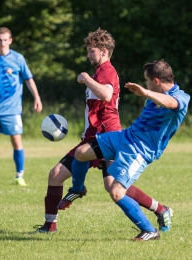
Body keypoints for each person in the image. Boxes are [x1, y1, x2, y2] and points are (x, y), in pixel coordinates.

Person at [36, 28, 173, 234]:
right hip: (98, 135)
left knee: (59, 175)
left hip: (106, 136)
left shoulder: (106, 71)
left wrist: (85, 78)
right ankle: (160, 209)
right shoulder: (100, 71)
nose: (88, 55)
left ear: (103, 51)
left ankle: (62, 210)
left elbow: (107, 95)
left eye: (91, 51)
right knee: (113, 186)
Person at [58, 59, 190, 241]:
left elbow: (171, 103)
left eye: (147, 80)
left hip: (140, 150)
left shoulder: (181, 97)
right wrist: (147, 92)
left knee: (116, 192)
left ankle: (150, 231)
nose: (146, 84)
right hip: (126, 137)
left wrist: (145, 92)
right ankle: (78, 189)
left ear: (157, 80)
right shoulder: (155, 91)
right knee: (81, 153)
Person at [0, 27, 42, 186]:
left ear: (10, 40)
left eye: (5, 40)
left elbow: (28, 79)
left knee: (16, 141)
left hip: (12, 110)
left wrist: (37, 97)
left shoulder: (18, 59)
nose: (2, 43)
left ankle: (19, 176)